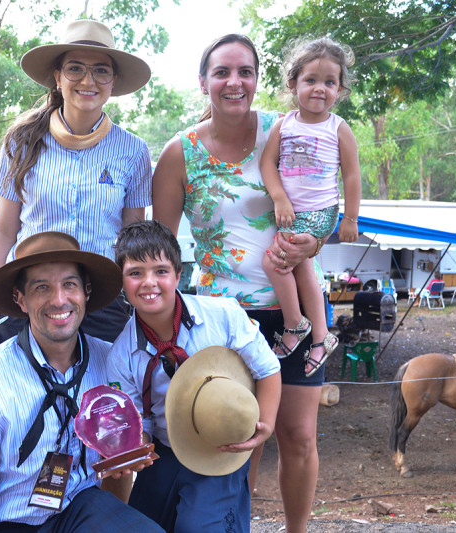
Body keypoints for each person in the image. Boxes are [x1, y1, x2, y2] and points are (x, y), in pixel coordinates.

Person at [151, 33, 336, 533]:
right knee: (237, 437)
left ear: (257, 79)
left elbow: (324, 205)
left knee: (297, 437)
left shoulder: (290, 129)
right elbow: (160, 249)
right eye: (222, 72)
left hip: (293, 311)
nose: (234, 82)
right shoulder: (179, 153)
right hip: (222, 320)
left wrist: (313, 245)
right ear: (203, 82)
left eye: (245, 72)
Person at [0, 231, 163, 533]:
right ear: (20, 299)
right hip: (13, 523)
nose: (59, 300)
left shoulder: (112, 363)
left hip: (81, 509)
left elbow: (118, 467)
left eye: (69, 285)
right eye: (41, 287)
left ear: (86, 291)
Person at [0, 19, 153, 350]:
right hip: (33, 298)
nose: (88, 80)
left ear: (114, 80)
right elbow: (4, 230)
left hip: (103, 301)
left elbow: (132, 237)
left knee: (104, 397)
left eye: (101, 71)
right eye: (75, 68)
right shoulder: (22, 142)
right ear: (57, 76)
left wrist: (142, 306)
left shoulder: (133, 151)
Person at [107, 220, 281, 533]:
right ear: (122, 281)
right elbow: (139, 422)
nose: (149, 282)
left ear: (178, 274)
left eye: (160, 271)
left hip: (219, 447)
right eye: (135, 273)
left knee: (200, 527)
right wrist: (134, 448)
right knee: (142, 527)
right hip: (163, 450)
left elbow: (267, 368)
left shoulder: (222, 315)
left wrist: (264, 426)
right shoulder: (121, 355)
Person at [259, 37, 360, 375]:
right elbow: (267, 165)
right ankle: (321, 337)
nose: (320, 89)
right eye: (311, 80)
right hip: (290, 212)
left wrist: (350, 218)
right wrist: (279, 197)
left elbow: (352, 177)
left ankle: (294, 324)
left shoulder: (338, 128)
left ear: (340, 90)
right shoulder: (284, 125)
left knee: (274, 262)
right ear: (293, 84)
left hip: (320, 214)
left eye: (330, 82)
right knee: (300, 270)